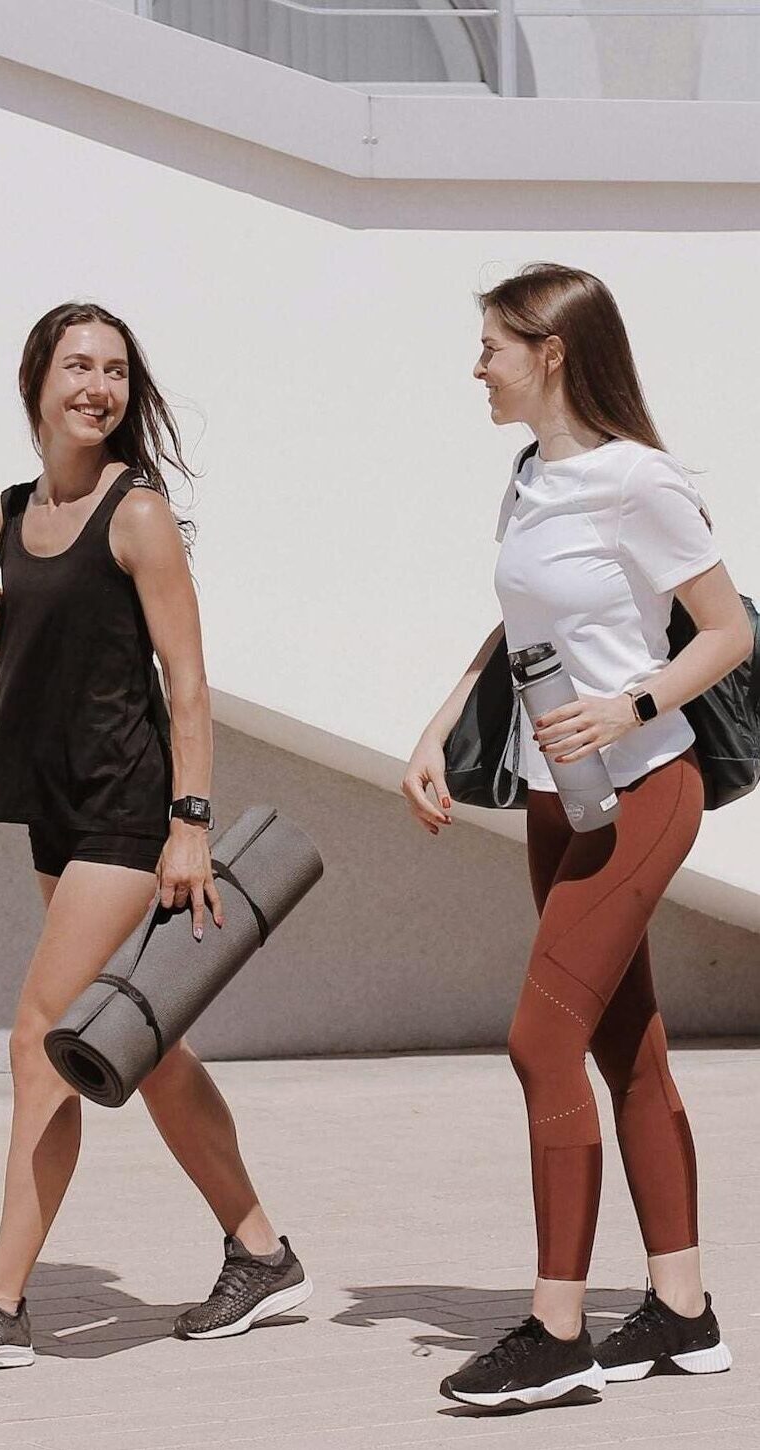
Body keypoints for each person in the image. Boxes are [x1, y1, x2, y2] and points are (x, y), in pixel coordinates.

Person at [0, 302, 312, 1371]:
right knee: (150, 1046)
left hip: (132, 811)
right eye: (78, 365)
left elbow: (189, 681)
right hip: (50, 803)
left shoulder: (138, 513)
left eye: (116, 370)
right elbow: (45, 636)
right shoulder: (7, 507)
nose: (99, 385)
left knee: (45, 1039)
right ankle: (260, 1253)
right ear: (36, 379)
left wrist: (190, 825)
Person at [402, 264, 748, 1410]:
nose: (477, 366)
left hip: (646, 789)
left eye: (492, 346)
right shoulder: (528, 477)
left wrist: (637, 703)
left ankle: (557, 1329)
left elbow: (728, 630)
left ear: (550, 351)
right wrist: (446, 716)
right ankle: (683, 1311)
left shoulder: (638, 481)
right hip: (563, 800)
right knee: (623, 1049)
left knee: (539, 1039)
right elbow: (521, 621)